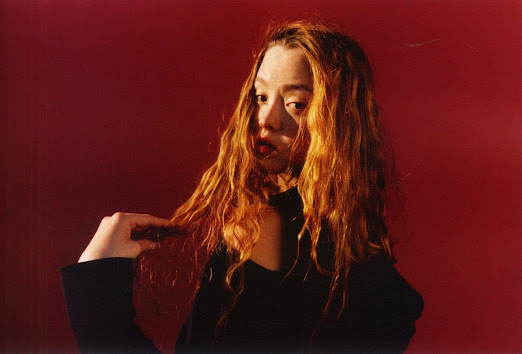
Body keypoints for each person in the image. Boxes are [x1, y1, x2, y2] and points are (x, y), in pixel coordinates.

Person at [61, 20, 423, 353]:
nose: (266, 119)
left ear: (339, 121)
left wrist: (97, 281)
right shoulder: (357, 244)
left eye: (297, 104)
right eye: (261, 96)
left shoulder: (263, 227)